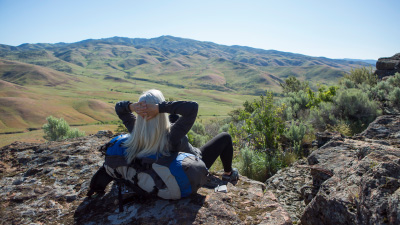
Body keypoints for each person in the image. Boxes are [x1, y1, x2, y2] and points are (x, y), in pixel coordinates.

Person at [116, 89, 239, 181]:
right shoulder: (172, 135)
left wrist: (131, 106)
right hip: (193, 165)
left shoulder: (135, 130)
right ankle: (229, 174)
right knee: (225, 137)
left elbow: (119, 108)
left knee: (173, 117)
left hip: (163, 158)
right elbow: (192, 107)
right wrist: (160, 108)